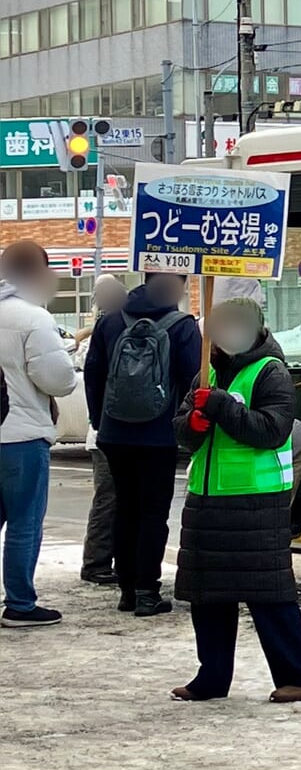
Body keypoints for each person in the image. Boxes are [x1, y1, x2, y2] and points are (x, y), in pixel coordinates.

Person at [171, 297, 301, 702]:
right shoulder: (207, 371)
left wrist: (219, 408)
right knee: (208, 595)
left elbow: (273, 430)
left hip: (256, 501)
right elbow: (183, 431)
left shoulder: (270, 371)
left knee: (266, 594)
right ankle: (213, 675)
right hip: (207, 497)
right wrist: (193, 424)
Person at [84, 273, 201, 616]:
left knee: (125, 508)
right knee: (153, 513)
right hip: (159, 434)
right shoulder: (182, 326)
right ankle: (147, 590)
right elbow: (193, 378)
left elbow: (93, 373)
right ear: (177, 287)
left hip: (114, 433)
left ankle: (126, 590)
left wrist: (99, 419)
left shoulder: (111, 321)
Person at [0, 241, 78, 627]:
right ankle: (19, 603)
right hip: (21, 434)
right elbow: (58, 378)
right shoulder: (31, 318)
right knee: (24, 521)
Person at [78, 275, 129, 585]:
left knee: (113, 499)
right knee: (109, 499)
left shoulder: (104, 332)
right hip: (107, 433)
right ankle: (96, 562)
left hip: (106, 431)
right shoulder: (102, 334)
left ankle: (103, 561)